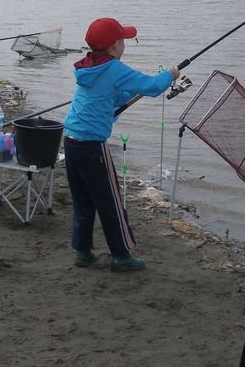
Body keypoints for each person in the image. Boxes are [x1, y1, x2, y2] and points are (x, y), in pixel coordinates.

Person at [63, 17, 179, 272]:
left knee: (83, 200)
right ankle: (121, 256)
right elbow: (152, 86)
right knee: (110, 202)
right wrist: (170, 74)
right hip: (92, 147)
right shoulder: (114, 68)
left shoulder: (88, 67)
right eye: (123, 40)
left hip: (71, 142)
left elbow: (112, 97)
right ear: (115, 46)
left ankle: (82, 252)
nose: (125, 44)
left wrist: (129, 95)